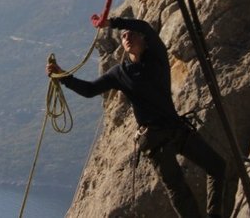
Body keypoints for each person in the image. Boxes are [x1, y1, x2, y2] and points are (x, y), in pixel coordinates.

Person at [47, 17, 228, 218]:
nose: (127, 37)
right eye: (123, 36)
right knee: (178, 190)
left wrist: (112, 23)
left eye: (131, 34)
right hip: (155, 139)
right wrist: (64, 77)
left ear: (143, 39)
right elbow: (90, 90)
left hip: (174, 128)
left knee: (217, 167)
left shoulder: (157, 56)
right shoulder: (120, 73)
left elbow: (145, 26)